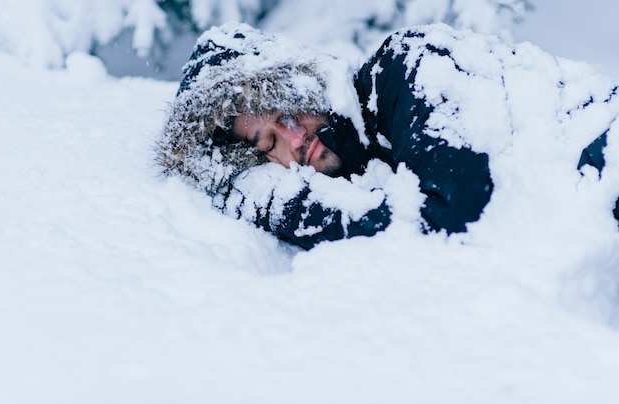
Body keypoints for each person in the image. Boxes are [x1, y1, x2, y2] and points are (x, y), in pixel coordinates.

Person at [156, 22, 619, 250]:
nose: (294, 140)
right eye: (269, 143)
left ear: (305, 81)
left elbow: (455, 208)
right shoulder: (361, 166)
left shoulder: (405, 66)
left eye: (287, 111)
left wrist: (284, 211)